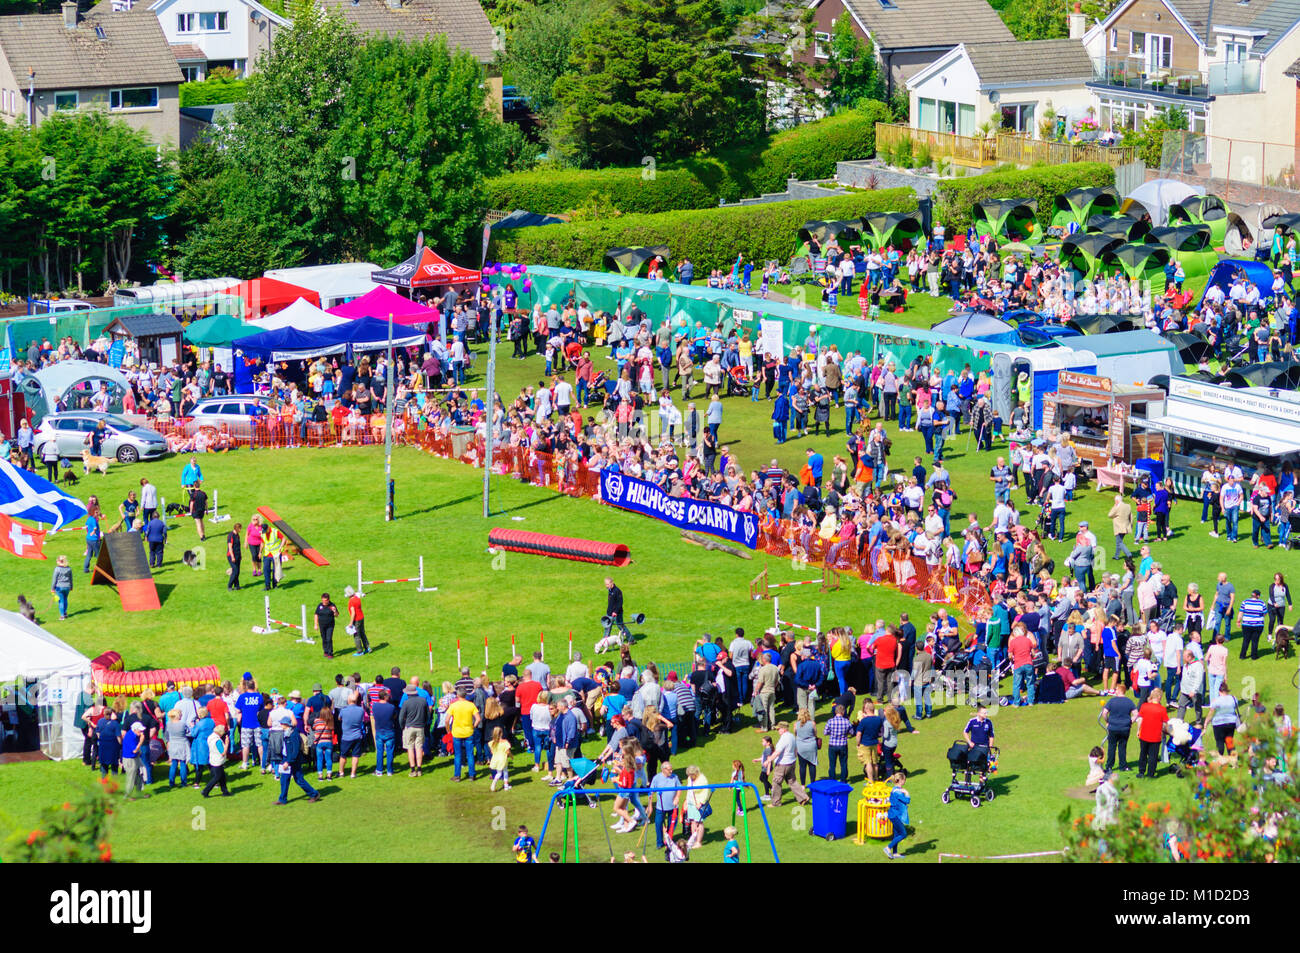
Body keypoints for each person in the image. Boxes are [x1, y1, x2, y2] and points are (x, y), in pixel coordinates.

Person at [275, 716, 321, 804]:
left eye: (282, 723)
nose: (280, 725)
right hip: (286, 759)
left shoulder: (294, 734)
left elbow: (295, 751)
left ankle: (314, 794)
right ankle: (282, 799)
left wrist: (288, 762)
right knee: (284, 779)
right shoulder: (287, 733)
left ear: (286, 724)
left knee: (299, 779)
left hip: (293, 760)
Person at [447, 686, 481, 781]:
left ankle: (457, 775)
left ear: (457, 695)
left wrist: (448, 730)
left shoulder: (454, 705)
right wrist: (473, 726)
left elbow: (447, 720)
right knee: (470, 754)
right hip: (468, 731)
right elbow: (478, 719)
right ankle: (472, 775)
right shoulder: (471, 705)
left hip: (457, 732)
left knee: (458, 755)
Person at [1135, 687, 1168, 779]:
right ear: (1160, 697)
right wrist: (1166, 732)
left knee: (1143, 753)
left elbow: (1140, 719)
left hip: (1144, 734)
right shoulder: (1162, 709)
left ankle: (1141, 772)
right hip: (1156, 736)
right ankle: (1151, 774)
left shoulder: (1144, 706)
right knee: (1153, 756)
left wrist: (1138, 730)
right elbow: (1165, 724)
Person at [1101, 690, 1136, 772]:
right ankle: (1123, 766)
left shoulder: (1112, 701)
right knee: (1122, 747)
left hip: (1113, 727)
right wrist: (1130, 722)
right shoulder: (1129, 701)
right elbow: (1136, 714)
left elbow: (1104, 713)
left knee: (1111, 746)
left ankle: (1109, 766)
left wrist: (1107, 721)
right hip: (1124, 728)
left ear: (1118, 691)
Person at [399, 679, 427, 777]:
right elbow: (427, 714)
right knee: (419, 747)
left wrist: (402, 726)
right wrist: (424, 723)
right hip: (420, 727)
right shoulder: (423, 701)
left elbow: (401, 717)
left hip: (409, 727)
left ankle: (412, 769)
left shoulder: (406, 703)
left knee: (410, 748)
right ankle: (419, 769)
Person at [883, 771, 911, 860]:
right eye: (904, 780)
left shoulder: (895, 789)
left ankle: (895, 853)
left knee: (896, 834)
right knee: (903, 834)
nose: (905, 782)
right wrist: (907, 793)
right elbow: (907, 801)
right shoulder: (898, 792)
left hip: (893, 814)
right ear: (900, 780)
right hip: (895, 816)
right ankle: (888, 848)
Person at [1209, 682, 1240, 755]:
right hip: (1231, 722)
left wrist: (1206, 722)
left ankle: (1220, 759)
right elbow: (1235, 707)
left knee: (1220, 742)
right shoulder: (1233, 698)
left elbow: (1211, 712)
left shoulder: (1216, 700)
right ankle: (1233, 760)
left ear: (1219, 691)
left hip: (1218, 724)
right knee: (1229, 742)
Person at [201, 724, 231, 797]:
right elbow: (223, 753)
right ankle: (205, 791)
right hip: (218, 761)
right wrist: (227, 743)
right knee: (217, 777)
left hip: (212, 759)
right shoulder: (218, 741)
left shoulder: (210, 737)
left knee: (222, 777)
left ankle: (225, 791)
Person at [1238, 588, 1267, 661]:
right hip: (1258, 625)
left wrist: (1238, 620)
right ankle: (1254, 656)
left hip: (1246, 624)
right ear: (1258, 596)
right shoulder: (1261, 603)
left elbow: (1241, 612)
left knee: (1246, 640)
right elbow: (1265, 613)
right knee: (1255, 640)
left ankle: (1242, 655)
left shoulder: (1245, 602)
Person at [602, 576, 632, 644]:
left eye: (607, 584)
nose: (606, 586)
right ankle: (604, 642)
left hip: (617, 613)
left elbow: (620, 603)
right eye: (605, 584)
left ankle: (631, 639)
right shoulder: (610, 590)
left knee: (621, 626)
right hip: (609, 613)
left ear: (611, 583)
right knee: (607, 627)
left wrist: (615, 612)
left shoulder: (617, 591)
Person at [313, 593, 339, 660]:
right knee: (323, 638)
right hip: (322, 625)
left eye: (325, 601)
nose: (324, 602)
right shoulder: (320, 606)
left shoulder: (332, 606)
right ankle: (326, 651)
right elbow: (316, 614)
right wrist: (316, 624)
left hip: (330, 625)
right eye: (323, 600)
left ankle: (330, 653)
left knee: (329, 639)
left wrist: (335, 611)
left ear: (328, 600)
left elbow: (337, 615)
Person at [345, 585, 369, 655]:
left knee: (356, 635)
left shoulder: (351, 602)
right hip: (361, 617)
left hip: (356, 620)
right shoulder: (357, 598)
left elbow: (353, 613)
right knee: (362, 633)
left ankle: (360, 651)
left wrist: (350, 623)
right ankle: (367, 647)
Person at [50, 554, 73, 620]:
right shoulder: (69, 569)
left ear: (59, 561)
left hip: (59, 587)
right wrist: (71, 586)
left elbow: (54, 580)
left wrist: (52, 588)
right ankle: (65, 612)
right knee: (65, 599)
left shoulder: (57, 569)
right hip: (67, 587)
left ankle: (62, 615)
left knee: (61, 601)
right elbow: (71, 579)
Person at [225, 522, 242, 591]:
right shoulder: (231, 535)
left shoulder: (237, 535)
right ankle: (229, 586)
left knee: (237, 571)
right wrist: (232, 557)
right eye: (240, 528)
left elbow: (238, 546)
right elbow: (230, 547)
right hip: (232, 556)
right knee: (235, 571)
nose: (241, 530)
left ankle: (237, 586)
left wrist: (240, 555)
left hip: (238, 555)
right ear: (237, 528)